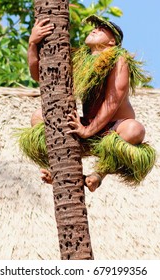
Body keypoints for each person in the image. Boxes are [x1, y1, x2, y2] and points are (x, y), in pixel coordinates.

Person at [24, 15, 155, 192]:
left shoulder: (119, 59)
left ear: (112, 42)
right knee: (39, 117)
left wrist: (87, 131)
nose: (94, 29)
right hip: (86, 128)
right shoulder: (80, 60)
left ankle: (98, 175)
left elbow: (113, 100)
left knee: (135, 129)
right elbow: (41, 76)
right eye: (95, 27)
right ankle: (57, 169)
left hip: (114, 130)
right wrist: (32, 44)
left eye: (102, 29)